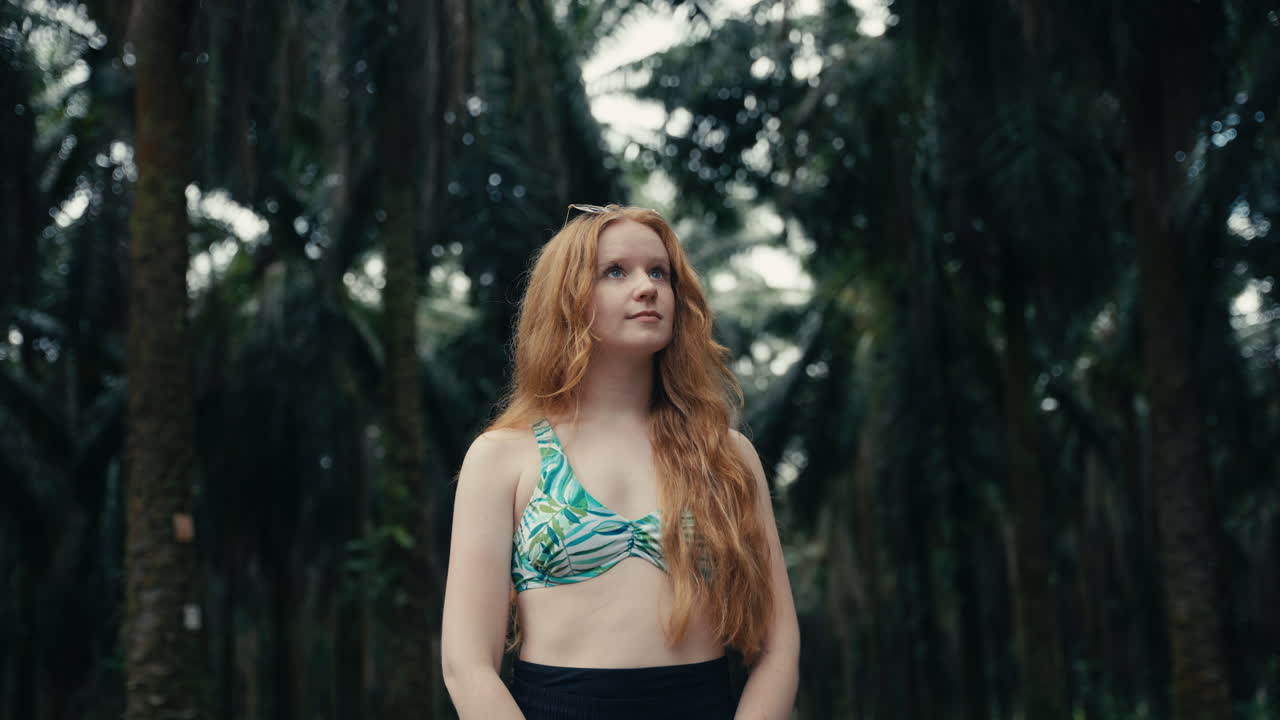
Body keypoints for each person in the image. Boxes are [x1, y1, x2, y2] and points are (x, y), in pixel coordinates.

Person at [440, 204, 800, 719]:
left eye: (659, 272)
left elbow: (779, 650)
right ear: (567, 297)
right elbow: (467, 663)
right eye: (615, 271)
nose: (647, 287)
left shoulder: (724, 455)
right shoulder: (503, 456)